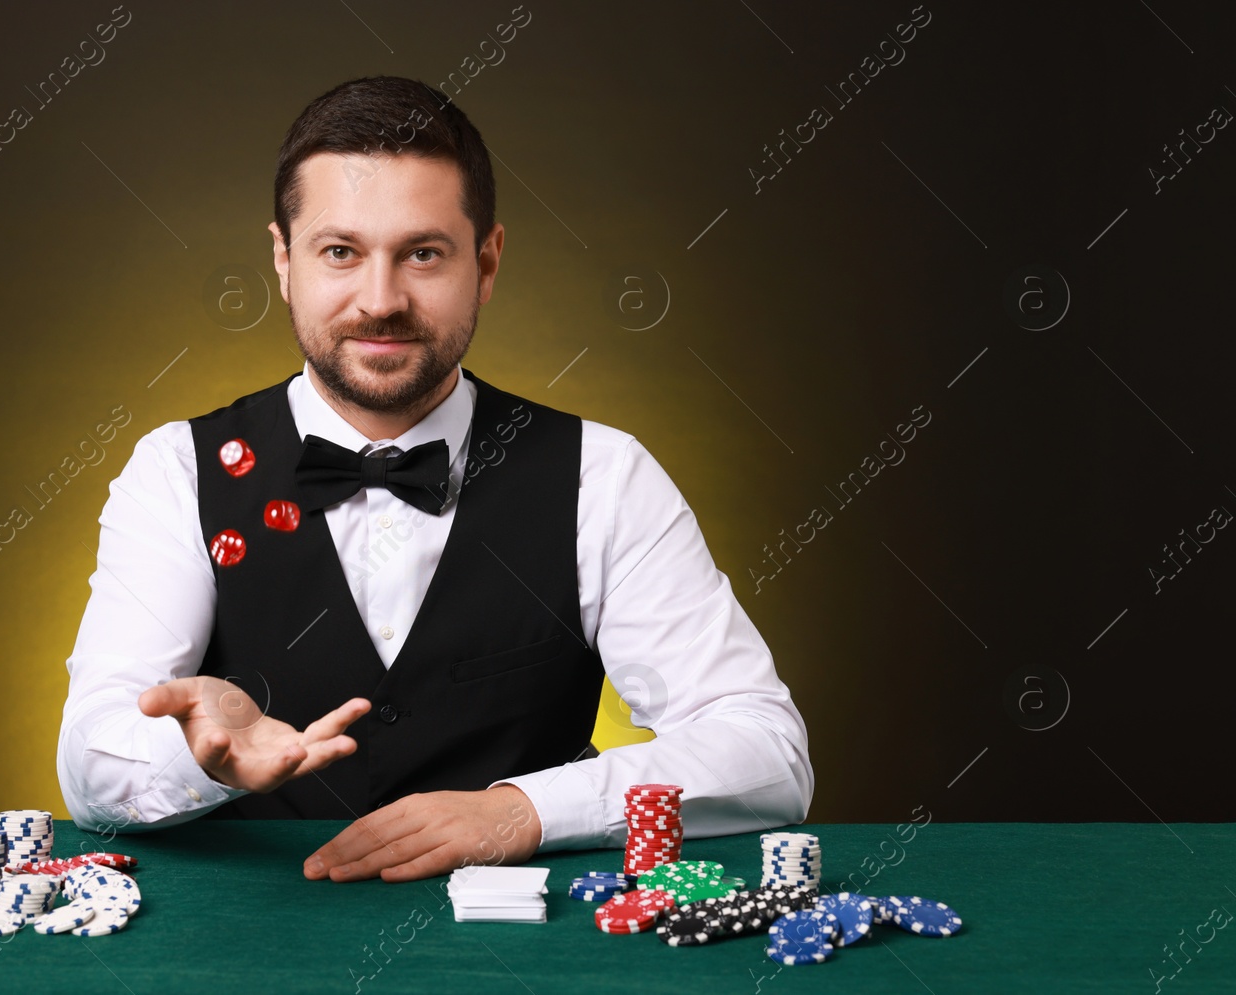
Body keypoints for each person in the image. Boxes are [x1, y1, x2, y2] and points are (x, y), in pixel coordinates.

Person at [57, 75, 812, 884]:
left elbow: (766, 749)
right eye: (340, 252)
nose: (381, 301)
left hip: (527, 951)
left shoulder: (604, 474)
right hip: (256, 949)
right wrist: (201, 758)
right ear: (283, 260)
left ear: (485, 263)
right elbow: (88, 767)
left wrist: (522, 810)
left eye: (422, 253)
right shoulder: (177, 470)